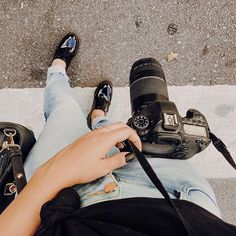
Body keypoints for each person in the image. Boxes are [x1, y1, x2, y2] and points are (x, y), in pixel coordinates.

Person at [0, 33, 235, 236]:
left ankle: (58, 70)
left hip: (53, 202)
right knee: (118, 131)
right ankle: (99, 115)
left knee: (63, 110)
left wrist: (54, 173)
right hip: (181, 196)